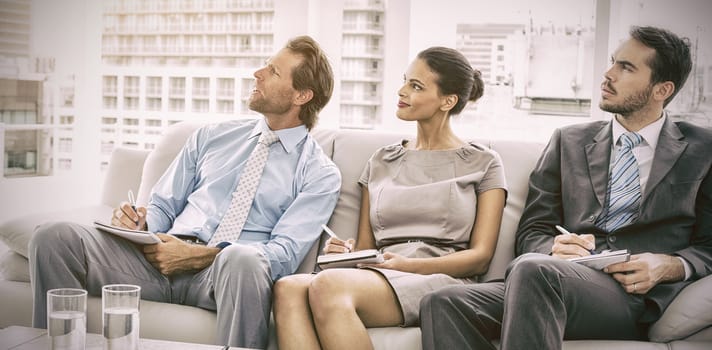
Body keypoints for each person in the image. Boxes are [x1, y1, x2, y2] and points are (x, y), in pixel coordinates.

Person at [28, 35, 341, 349]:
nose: (257, 73)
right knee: (53, 237)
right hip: (157, 259)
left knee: (243, 259)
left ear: (302, 95)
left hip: (222, 275)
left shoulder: (319, 174)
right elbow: (163, 205)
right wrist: (141, 224)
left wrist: (197, 257)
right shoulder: (212, 135)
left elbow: (283, 255)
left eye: (273, 71)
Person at [419, 26, 712, 350]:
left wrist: (669, 266)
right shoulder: (568, 141)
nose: (608, 74)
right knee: (441, 303)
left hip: (636, 296)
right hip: (554, 278)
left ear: (662, 89)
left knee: (534, 272)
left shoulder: (703, 150)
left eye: (626, 67)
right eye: (613, 62)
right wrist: (553, 247)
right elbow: (533, 230)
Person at [273, 46, 508, 350]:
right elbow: (368, 247)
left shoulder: (484, 162)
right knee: (288, 288)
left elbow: (480, 257)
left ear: (447, 101)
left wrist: (409, 267)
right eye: (405, 81)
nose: (402, 91)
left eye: (416, 86)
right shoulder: (382, 159)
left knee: (328, 287)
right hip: (381, 270)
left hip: (438, 275)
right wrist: (346, 252)